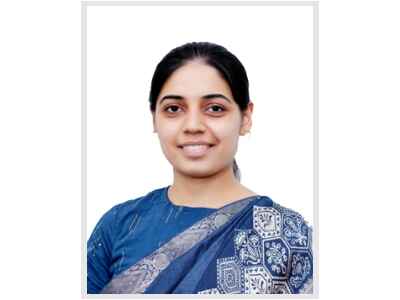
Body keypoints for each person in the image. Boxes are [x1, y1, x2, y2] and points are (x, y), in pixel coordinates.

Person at [87, 41, 313, 294]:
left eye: (215, 109)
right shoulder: (118, 225)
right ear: (154, 118)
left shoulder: (291, 235)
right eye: (173, 109)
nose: (193, 125)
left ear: (245, 118)